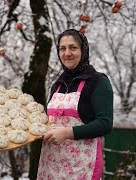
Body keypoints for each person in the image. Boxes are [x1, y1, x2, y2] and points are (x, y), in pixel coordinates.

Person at [37, 29, 113, 180]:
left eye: (73, 47)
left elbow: (105, 124)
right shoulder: (57, 85)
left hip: (80, 169)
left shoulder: (98, 82)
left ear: (83, 50)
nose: (67, 53)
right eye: (62, 48)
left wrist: (66, 133)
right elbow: (48, 122)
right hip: (50, 167)